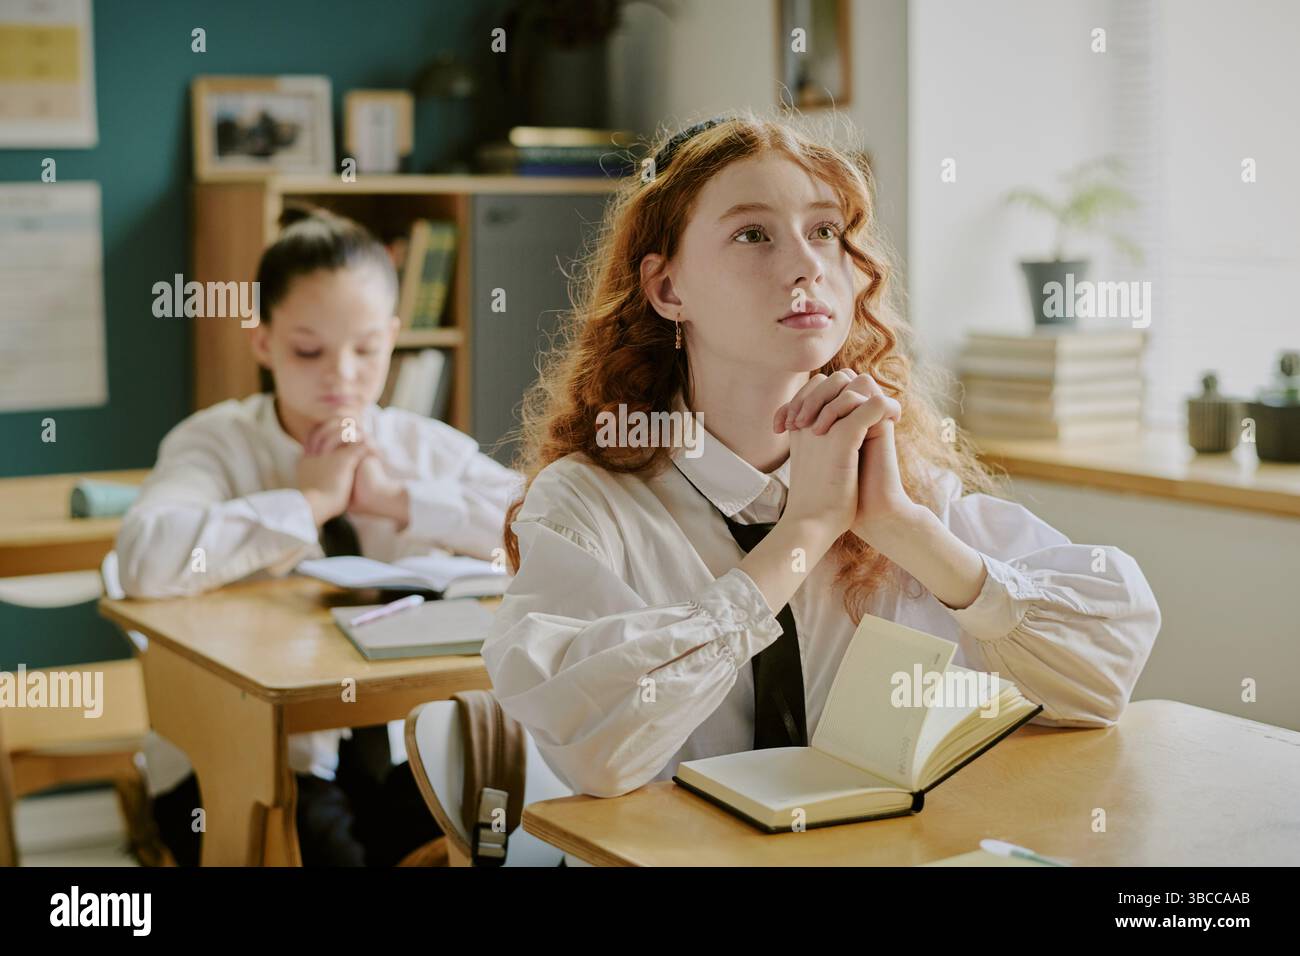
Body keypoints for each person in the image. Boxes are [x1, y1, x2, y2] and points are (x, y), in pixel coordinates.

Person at [481, 113, 1161, 799]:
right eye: (753, 234)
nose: (806, 265)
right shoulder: (585, 502)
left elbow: (1101, 681)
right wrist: (804, 533)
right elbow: (600, 755)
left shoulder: (904, 485)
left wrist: (903, 528)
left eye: (825, 232)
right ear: (667, 289)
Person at [116, 205, 520, 864]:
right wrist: (308, 502)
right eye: (309, 349)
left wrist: (400, 501)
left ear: (394, 336)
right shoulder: (215, 442)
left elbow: (541, 522)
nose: (342, 376)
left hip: (396, 747)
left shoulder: (413, 445)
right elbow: (145, 560)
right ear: (262, 340)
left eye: (366, 349)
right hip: (242, 752)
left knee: (489, 831)